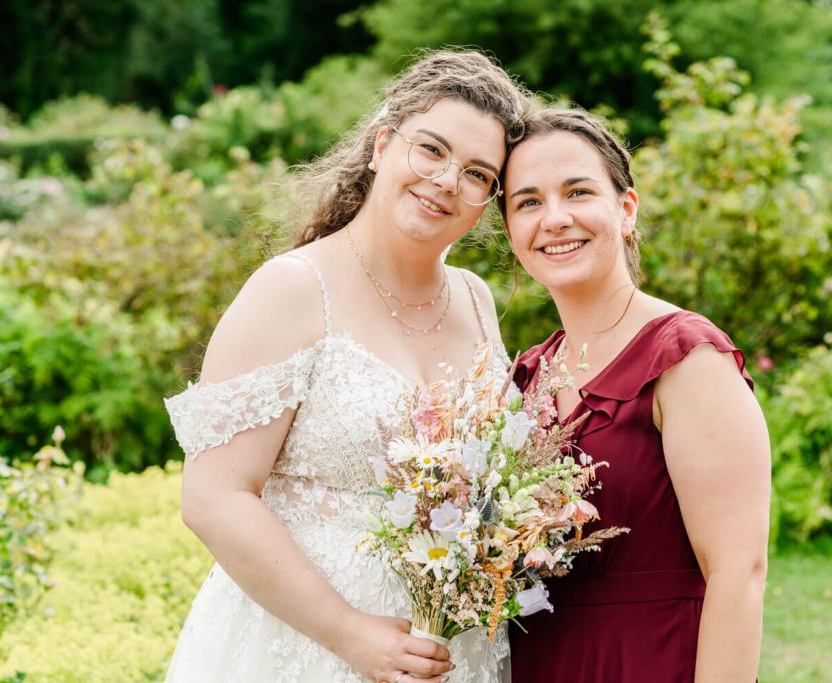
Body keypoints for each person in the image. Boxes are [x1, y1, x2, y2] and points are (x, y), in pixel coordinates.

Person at [163, 50, 530, 683]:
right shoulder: (294, 289)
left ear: (488, 201)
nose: (447, 180)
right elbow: (214, 496)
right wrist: (349, 633)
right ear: (383, 144)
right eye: (431, 150)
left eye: (477, 173)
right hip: (303, 647)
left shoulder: (475, 299)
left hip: (450, 650)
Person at [502, 109, 770, 682]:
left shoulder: (687, 358)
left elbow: (739, 572)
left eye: (578, 192)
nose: (555, 218)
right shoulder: (524, 374)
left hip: (651, 661)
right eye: (528, 202)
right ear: (509, 232)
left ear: (626, 210)